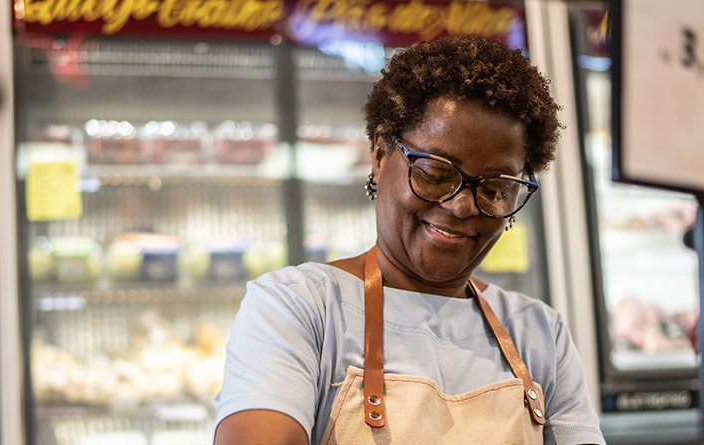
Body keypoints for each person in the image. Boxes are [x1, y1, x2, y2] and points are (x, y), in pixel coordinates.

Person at [214, 35, 605, 445]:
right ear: (380, 157)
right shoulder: (298, 308)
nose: (461, 206)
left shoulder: (538, 332)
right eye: (435, 172)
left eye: (494, 188)